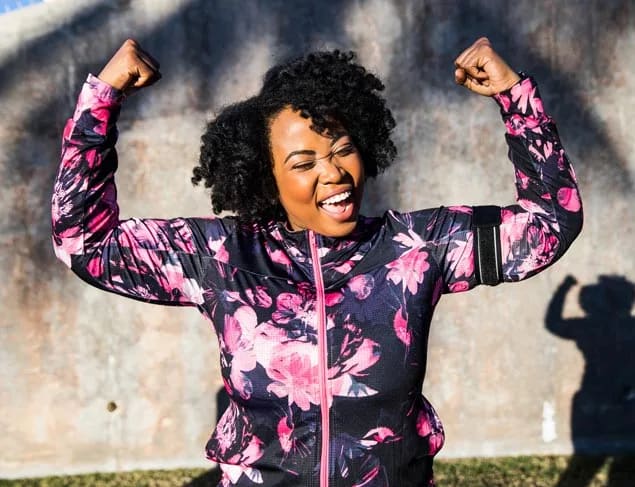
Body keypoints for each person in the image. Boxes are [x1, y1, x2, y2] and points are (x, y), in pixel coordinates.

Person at [51, 37, 583, 486]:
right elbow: (82, 240)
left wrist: (516, 98)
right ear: (267, 177)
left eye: (342, 149)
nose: (333, 174)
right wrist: (103, 99)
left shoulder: (417, 248)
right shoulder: (220, 255)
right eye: (303, 162)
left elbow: (548, 223)